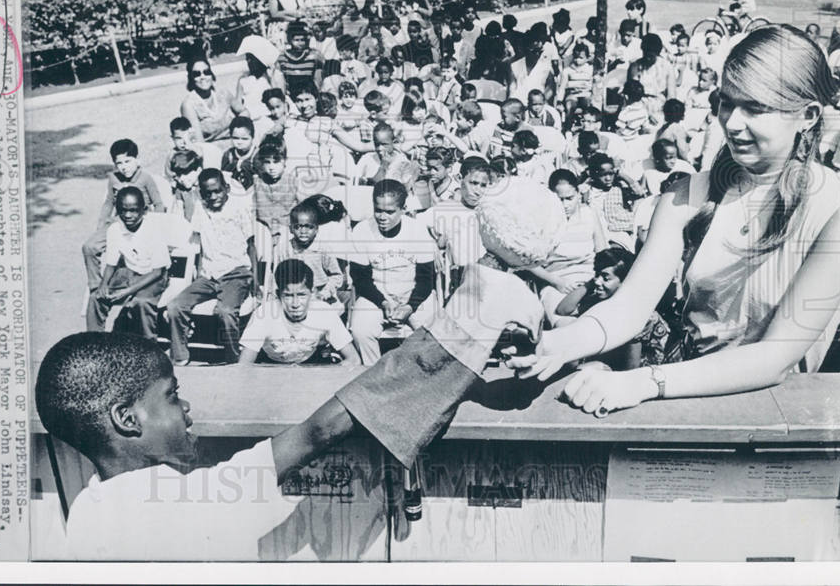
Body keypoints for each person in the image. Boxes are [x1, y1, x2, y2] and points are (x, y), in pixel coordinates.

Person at [36, 175, 557, 560]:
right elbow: (320, 430)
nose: (187, 407)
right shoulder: (192, 499)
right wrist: (465, 321)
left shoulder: (86, 514)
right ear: (127, 419)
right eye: (171, 396)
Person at [506, 25, 840, 415]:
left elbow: (776, 357)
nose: (733, 123)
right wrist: (565, 342)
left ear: (807, 115)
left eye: (755, 108)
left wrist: (645, 382)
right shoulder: (687, 195)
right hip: (690, 404)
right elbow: (629, 306)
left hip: (781, 419)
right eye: (727, 101)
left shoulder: (839, 211)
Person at [165, 168, 259, 366]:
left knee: (225, 311)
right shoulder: (200, 208)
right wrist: (198, 276)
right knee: (175, 306)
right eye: (208, 193)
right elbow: (199, 245)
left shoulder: (238, 207)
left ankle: (233, 359)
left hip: (236, 273)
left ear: (226, 188)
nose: (214, 196)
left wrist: (255, 281)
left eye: (217, 191)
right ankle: (180, 357)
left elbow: (251, 245)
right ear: (202, 193)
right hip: (208, 276)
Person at [343, 180, 437, 364]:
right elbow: (360, 279)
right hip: (377, 294)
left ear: (403, 209)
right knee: (361, 330)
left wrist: (410, 306)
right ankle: (372, 374)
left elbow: (427, 279)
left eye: (390, 211)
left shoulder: (416, 230)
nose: (382, 217)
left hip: (413, 292)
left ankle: (423, 377)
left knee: (434, 329)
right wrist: (383, 302)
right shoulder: (362, 230)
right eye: (378, 210)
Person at [553, 246, 671, 370]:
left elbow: (631, 367)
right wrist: (590, 284)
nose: (598, 282)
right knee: (566, 327)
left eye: (606, 278)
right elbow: (563, 310)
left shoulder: (635, 312)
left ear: (624, 282)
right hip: (616, 356)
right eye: (597, 275)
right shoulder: (600, 298)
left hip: (647, 367)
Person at [238, 259, 359, 366]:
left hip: (312, 366)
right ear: (278, 294)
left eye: (301, 295)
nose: (295, 304)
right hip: (269, 366)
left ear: (312, 293)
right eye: (288, 296)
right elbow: (244, 365)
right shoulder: (264, 314)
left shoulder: (324, 312)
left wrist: (328, 376)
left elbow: (353, 360)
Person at [82, 138, 164, 293]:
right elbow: (108, 203)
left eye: (127, 161)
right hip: (117, 223)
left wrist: (155, 225)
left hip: (141, 223)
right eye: (119, 163)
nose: (124, 167)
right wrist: (100, 226)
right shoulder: (114, 178)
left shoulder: (145, 178)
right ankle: (97, 287)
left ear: (137, 160)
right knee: (89, 247)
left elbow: (159, 204)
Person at [85, 187, 169, 336]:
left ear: (144, 210)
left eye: (134, 210)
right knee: (95, 298)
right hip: (128, 272)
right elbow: (111, 263)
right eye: (123, 210)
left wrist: (127, 292)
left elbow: (158, 272)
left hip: (153, 276)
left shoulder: (154, 230)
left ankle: (148, 346)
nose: (128, 215)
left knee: (141, 302)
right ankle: (94, 341)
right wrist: (104, 285)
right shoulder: (115, 229)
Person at [529, 168, 607, 323]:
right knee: (564, 325)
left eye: (569, 198)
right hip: (557, 281)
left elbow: (603, 253)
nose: (564, 205)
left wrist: (596, 280)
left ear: (578, 194)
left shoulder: (589, 214)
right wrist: (557, 282)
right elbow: (527, 263)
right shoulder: (540, 220)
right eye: (559, 199)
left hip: (591, 278)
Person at [275, 201, 346, 304]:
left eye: (309, 227)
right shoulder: (284, 249)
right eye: (298, 227)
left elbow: (337, 276)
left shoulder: (323, 249)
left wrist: (325, 292)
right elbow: (276, 277)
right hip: (293, 294)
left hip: (321, 294)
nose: (303, 231)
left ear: (316, 229)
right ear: (291, 229)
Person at [180, 56, 235, 142]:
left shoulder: (224, 94)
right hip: (211, 149)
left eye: (206, 72)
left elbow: (243, 112)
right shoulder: (189, 105)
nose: (203, 77)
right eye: (197, 74)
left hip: (235, 144)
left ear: (211, 74)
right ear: (191, 78)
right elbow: (200, 142)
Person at [233, 34, 285, 123]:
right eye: (247, 58)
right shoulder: (243, 80)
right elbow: (237, 103)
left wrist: (271, 78)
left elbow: (281, 99)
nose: (248, 62)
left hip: (271, 117)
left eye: (252, 59)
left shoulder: (275, 75)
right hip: (251, 119)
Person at [220, 116, 257, 191]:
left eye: (244, 139)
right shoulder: (228, 155)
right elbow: (225, 177)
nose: (239, 142)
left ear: (252, 138)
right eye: (235, 138)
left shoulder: (257, 155)